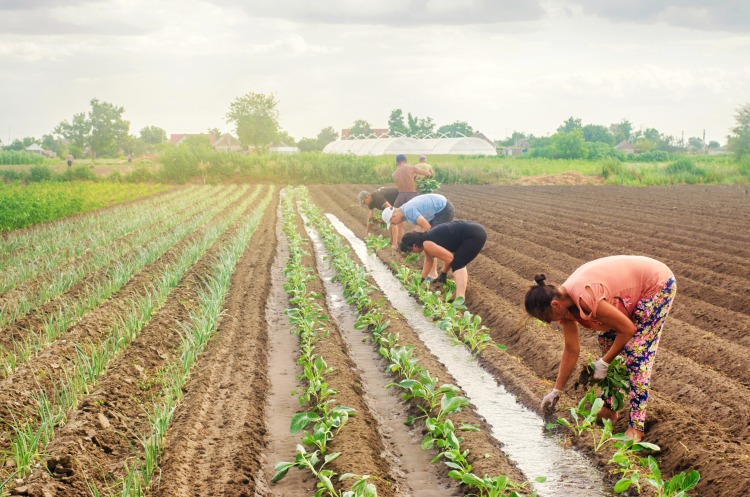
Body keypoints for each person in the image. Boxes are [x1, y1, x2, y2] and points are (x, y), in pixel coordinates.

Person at [524, 255, 676, 442]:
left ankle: (636, 428)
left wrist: (604, 362)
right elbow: (571, 350)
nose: (550, 323)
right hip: (626, 292)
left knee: (637, 355)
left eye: (548, 318)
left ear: (554, 305)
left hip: (655, 284)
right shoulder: (563, 306)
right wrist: (556, 391)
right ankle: (609, 409)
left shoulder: (583, 297)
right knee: (606, 340)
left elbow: (628, 329)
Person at [399, 221, 486, 301]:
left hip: (473, 235)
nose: (412, 253)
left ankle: (460, 298)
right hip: (474, 231)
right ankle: (456, 298)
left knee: (458, 263)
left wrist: (443, 274)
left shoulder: (427, 244)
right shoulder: (425, 241)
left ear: (414, 245)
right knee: (458, 262)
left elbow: (450, 258)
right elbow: (429, 261)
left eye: (410, 250)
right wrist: (421, 280)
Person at [382, 193, 455, 276]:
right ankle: (431, 272)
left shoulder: (408, 211)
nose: (394, 224)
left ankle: (433, 273)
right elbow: (421, 225)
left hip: (443, 209)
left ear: (394, 216)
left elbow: (427, 227)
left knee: (431, 242)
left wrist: (421, 243)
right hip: (437, 210)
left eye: (392, 222)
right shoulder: (405, 212)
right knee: (427, 242)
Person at [392, 154, 431, 247]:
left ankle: (399, 244)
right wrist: (419, 184)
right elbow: (428, 174)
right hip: (412, 196)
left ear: (397, 162)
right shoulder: (411, 168)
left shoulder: (394, 173)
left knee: (399, 223)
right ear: (406, 161)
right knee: (421, 221)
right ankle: (416, 243)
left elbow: (399, 185)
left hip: (400, 196)